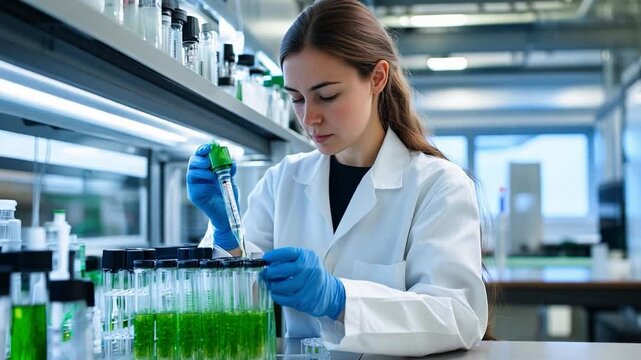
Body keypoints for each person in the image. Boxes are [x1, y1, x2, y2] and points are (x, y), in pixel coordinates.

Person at [186, 0, 488, 356]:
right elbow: (237, 300)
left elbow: (458, 316)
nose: (309, 117)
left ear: (377, 78)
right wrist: (226, 233)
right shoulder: (282, 181)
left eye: (326, 96)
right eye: (296, 99)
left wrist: (340, 299)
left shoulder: (438, 185)